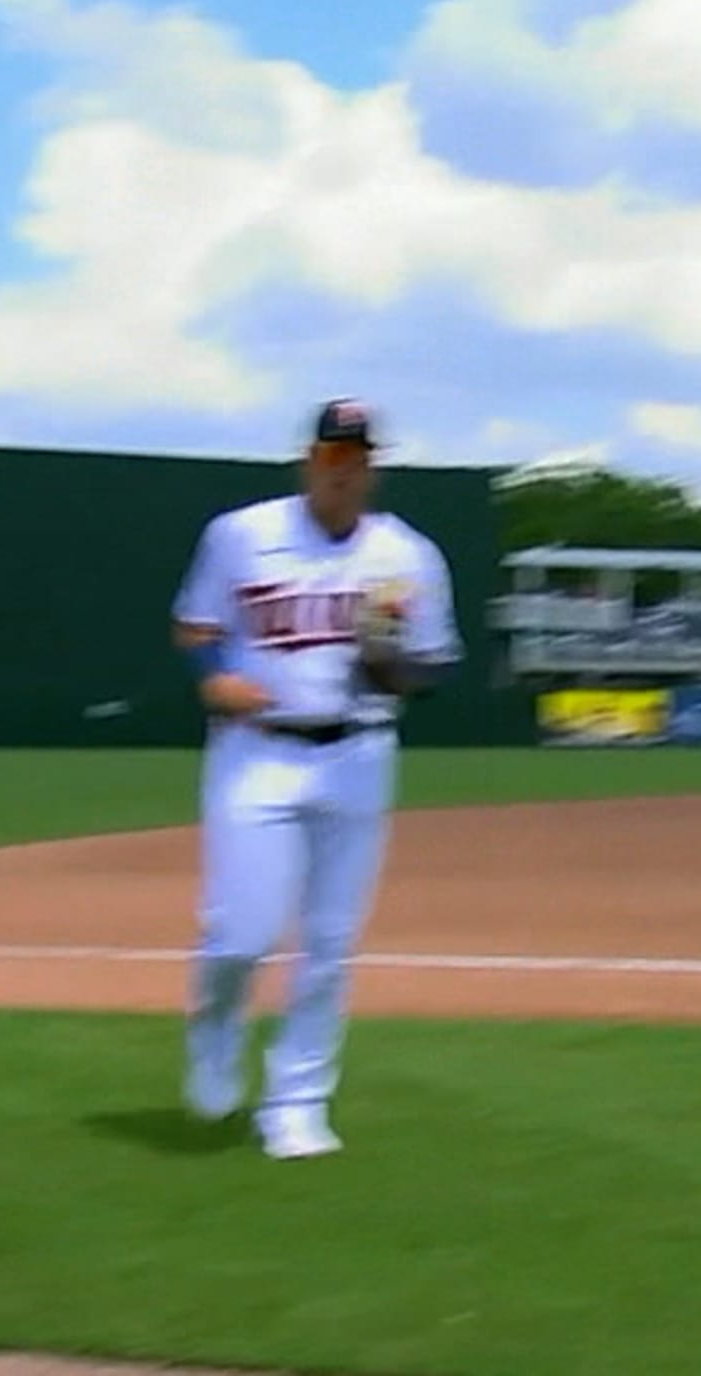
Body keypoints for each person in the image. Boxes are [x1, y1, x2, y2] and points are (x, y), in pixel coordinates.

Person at [170, 398, 462, 1159]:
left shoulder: (406, 555)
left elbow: (425, 669)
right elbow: (196, 628)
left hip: (359, 751)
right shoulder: (242, 534)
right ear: (310, 460)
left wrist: (388, 663)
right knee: (241, 934)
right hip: (257, 750)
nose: (346, 470)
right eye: (335, 456)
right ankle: (215, 1034)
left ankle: (297, 1103)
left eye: (359, 457)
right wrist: (216, 678)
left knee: (331, 940)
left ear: (373, 467)